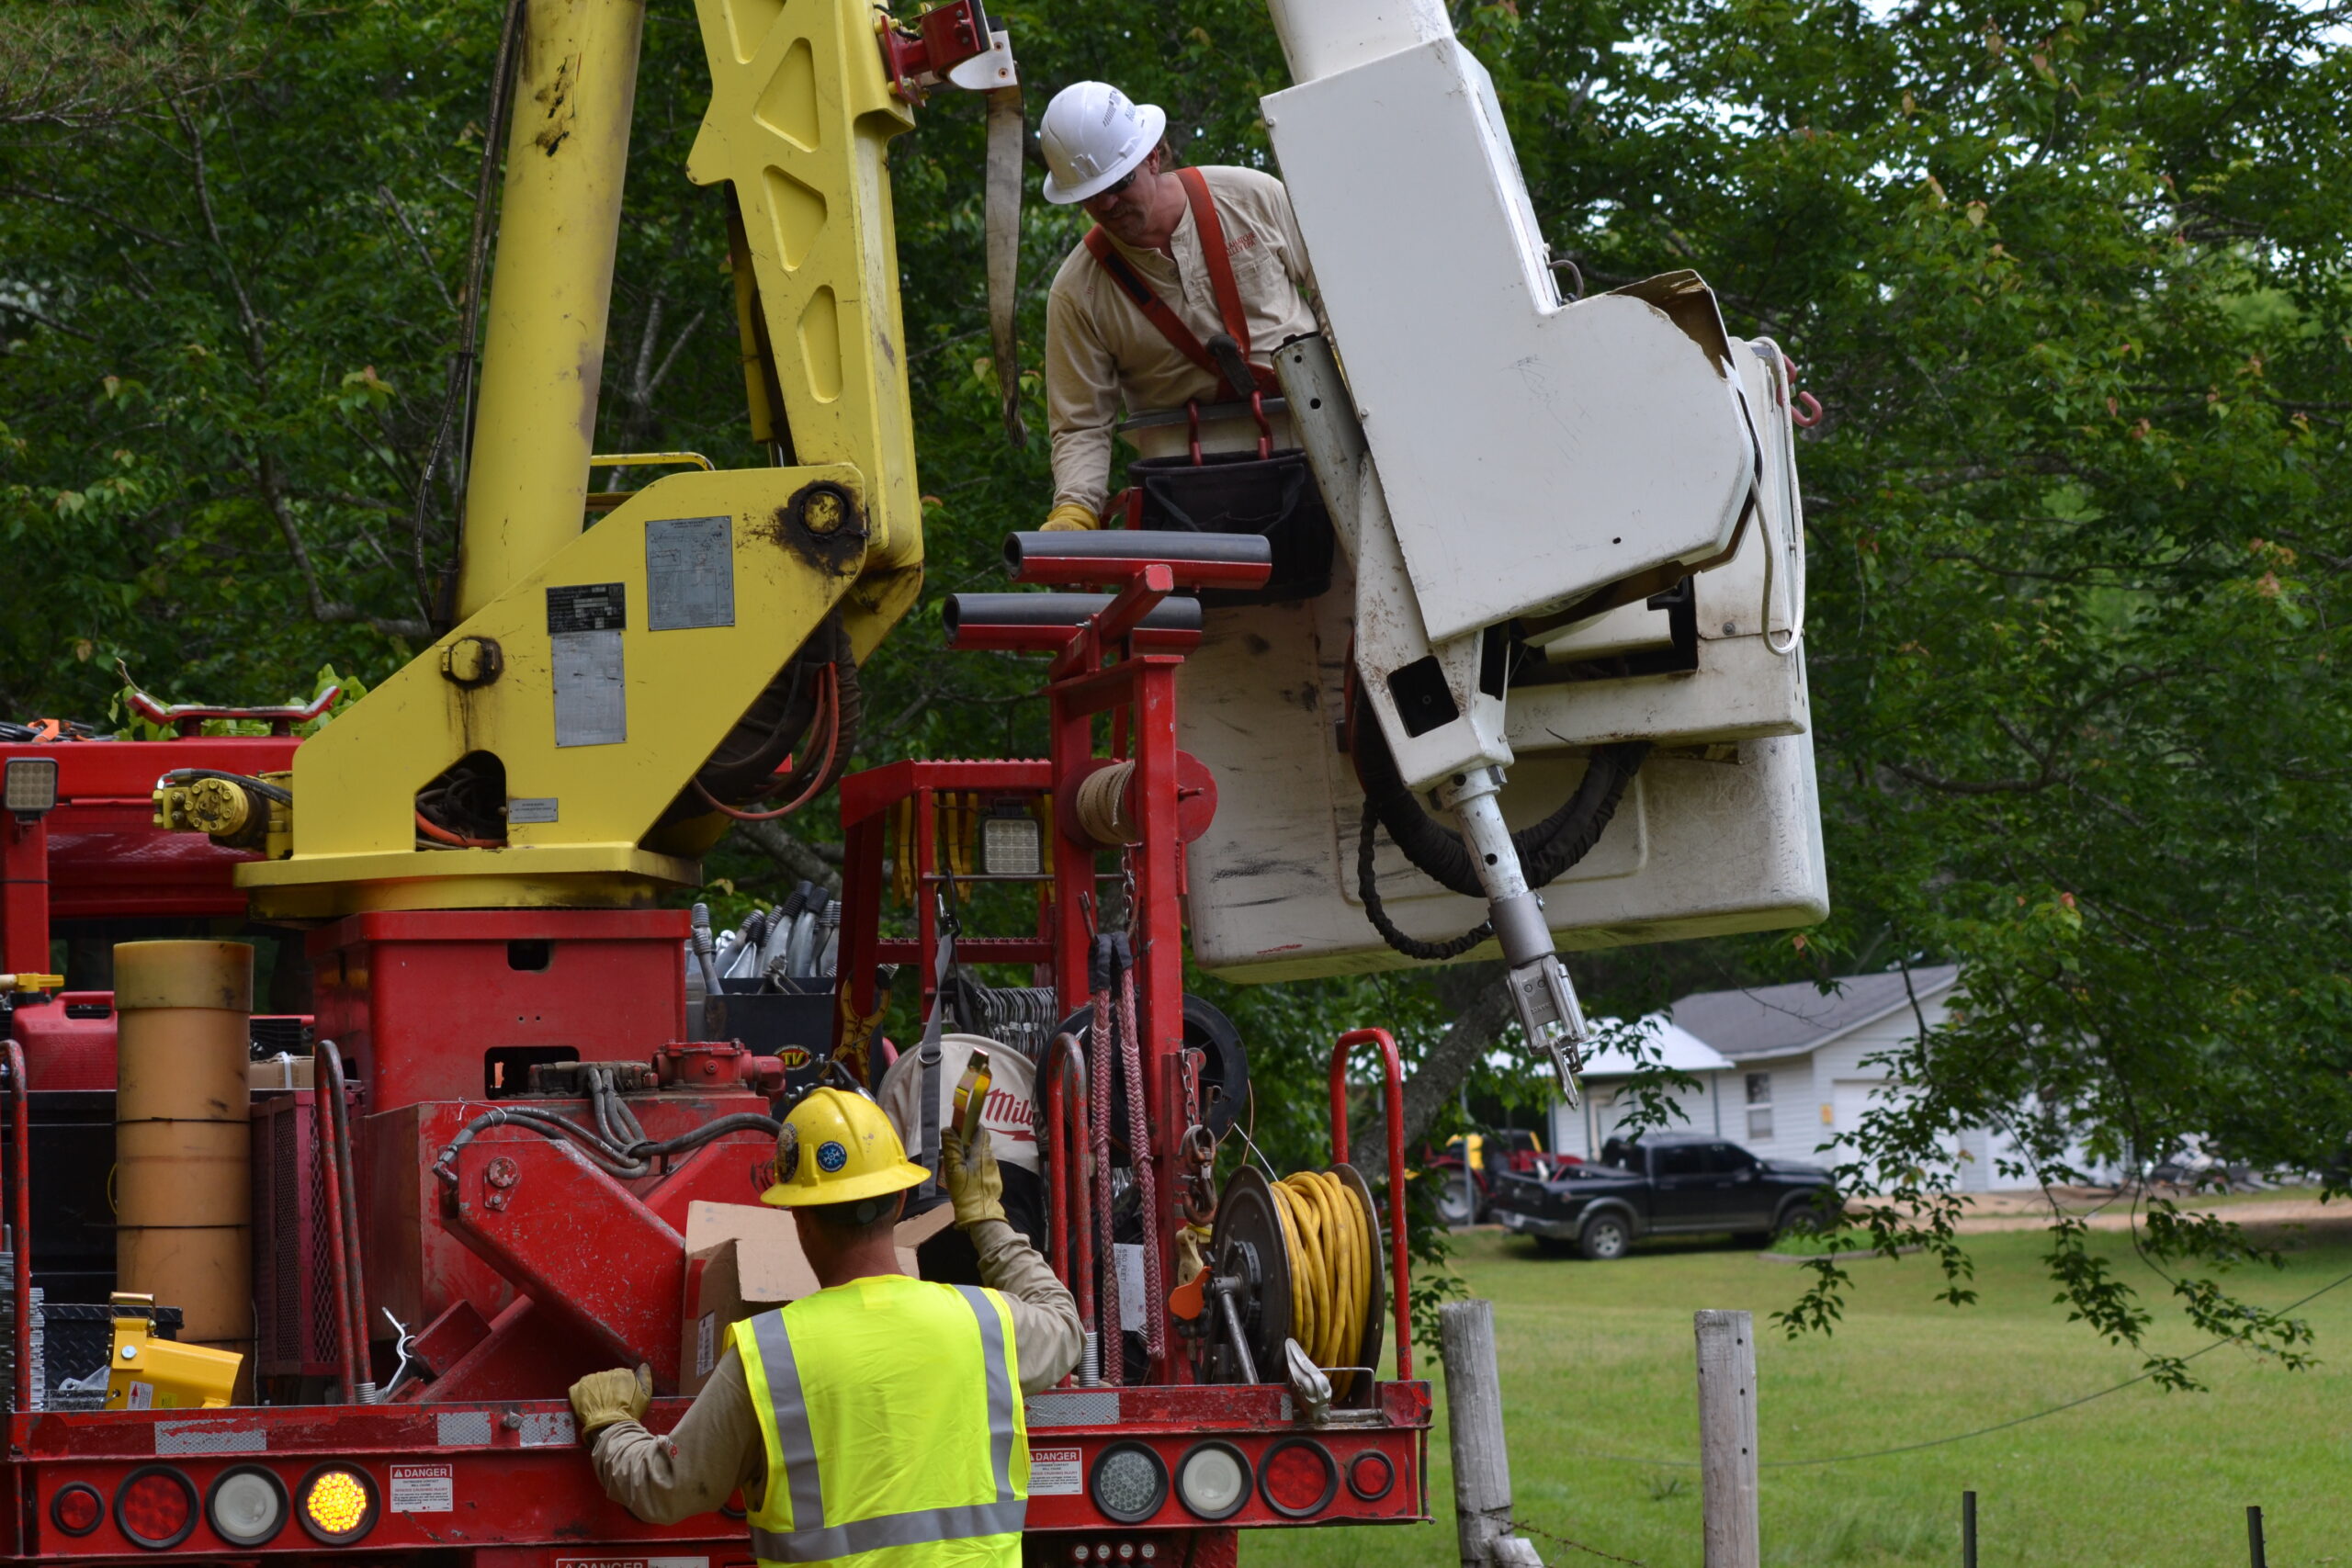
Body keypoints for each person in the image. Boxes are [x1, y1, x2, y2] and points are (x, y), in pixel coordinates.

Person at [568, 1086, 1080, 1565]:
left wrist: (610, 1424)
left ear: (798, 1217)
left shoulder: (770, 1355)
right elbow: (1064, 1325)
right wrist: (985, 1216)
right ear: (900, 1199)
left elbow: (667, 1488)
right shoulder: (986, 1323)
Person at [1037, 80, 1322, 533]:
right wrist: (1076, 507)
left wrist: (1361, 396)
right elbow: (1081, 424)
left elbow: (1337, 302)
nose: (1108, 204)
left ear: (1153, 155)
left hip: (1315, 440)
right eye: (1091, 195)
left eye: (1119, 182)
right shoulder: (1078, 292)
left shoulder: (1251, 199)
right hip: (1191, 486)